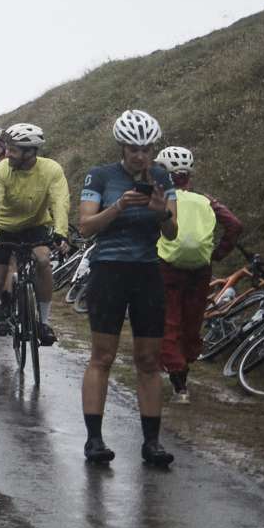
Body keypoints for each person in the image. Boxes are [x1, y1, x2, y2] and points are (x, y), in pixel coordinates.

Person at [75, 109, 179, 468]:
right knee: (102, 356)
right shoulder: (101, 176)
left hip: (147, 271)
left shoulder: (162, 177)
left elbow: (172, 233)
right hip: (109, 271)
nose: (141, 155)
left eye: (147, 149)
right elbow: (86, 226)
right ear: (122, 147)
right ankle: (94, 439)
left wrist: (161, 211)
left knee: (149, 360)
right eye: (134, 148)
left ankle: (151, 443)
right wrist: (118, 206)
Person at [0, 121, 70, 374]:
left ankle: (43, 323)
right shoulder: (1, 171)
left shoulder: (51, 170)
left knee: (42, 260)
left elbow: (60, 201)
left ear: (30, 152)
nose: (7, 154)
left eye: (13, 150)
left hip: (36, 224)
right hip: (4, 226)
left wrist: (61, 232)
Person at [157, 145, 245, 402]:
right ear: (188, 175)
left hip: (167, 267)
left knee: (169, 320)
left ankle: (177, 376)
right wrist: (219, 253)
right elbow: (235, 225)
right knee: (192, 321)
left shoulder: (162, 199)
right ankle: (185, 362)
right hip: (200, 268)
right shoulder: (206, 200)